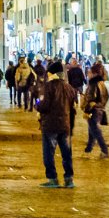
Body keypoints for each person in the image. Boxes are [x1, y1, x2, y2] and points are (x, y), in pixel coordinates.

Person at [36, 58, 77, 188]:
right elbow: (73, 109)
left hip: (50, 125)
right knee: (66, 154)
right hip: (65, 125)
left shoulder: (48, 87)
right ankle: (69, 179)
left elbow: (44, 105)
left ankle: (53, 178)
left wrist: (37, 105)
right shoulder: (69, 88)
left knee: (49, 153)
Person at [81, 63, 109, 158]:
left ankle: (104, 151)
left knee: (96, 131)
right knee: (92, 129)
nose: (88, 74)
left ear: (94, 73)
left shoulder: (93, 83)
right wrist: (101, 105)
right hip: (99, 109)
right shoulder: (101, 83)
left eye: (89, 72)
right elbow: (106, 96)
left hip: (94, 110)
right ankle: (88, 149)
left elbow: (90, 98)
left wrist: (87, 111)